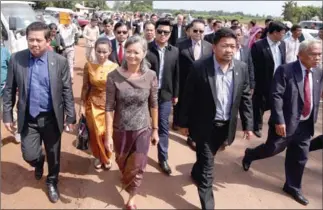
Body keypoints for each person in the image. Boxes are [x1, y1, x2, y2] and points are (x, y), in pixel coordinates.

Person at [178, 28, 253, 210]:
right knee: (208, 169)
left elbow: (244, 98)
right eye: (224, 46)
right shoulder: (200, 67)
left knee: (208, 156)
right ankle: (208, 205)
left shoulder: (241, 68)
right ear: (214, 47)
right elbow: (187, 96)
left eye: (233, 46)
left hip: (226, 126)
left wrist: (248, 124)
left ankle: (197, 171)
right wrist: (182, 123)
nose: (229, 50)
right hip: (204, 125)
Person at [2, 21, 76, 203]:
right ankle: (37, 160)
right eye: (30, 40)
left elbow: (67, 89)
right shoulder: (16, 59)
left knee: (54, 154)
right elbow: (9, 89)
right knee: (29, 154)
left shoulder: (59, 62)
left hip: (51, 117)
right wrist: (7, 115)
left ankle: (52, 181)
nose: (34, 44)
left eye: (38, 40)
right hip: (29, 118)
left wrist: (71, 115)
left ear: (48, 40)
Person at [242, 39, 323, 206]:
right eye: (313, 54)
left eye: (320, 54)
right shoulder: (285, 70)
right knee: (272, 149)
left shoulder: (318, 73)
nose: (318, 58)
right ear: (300, 55)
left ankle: (293, 186)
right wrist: (279, 120)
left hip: (305, 124)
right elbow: (276, 96)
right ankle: (251, 154)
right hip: (285, 123)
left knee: (300, 157)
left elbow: (316, 93)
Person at [105, 35, 159, 209]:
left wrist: (155, 129)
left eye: (136, 52)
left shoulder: (151, 76)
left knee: (137, 167)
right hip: (120, 129)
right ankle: (126, 178)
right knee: (123, 164)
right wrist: (108, 136)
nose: (131, 55)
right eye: (128, 51)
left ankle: (131, 198)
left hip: (142, 129)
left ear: (143, 54)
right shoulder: (113, 76)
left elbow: (154, 104)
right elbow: (108, 108)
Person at [146, 18, 179, 175]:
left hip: (165, 94)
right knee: (145, 126)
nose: (162, 35)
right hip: (147, 94)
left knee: (163, 126)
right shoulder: (146, 49)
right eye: (159, 31)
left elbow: (177, 74)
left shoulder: (174, 51)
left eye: (166, 32)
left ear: (170, 34)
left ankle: (163, 158)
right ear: (155, 31)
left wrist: (176, 94)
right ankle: (140, 156)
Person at [80, 38, 118, 169]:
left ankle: (107, 157)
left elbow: (117, 90)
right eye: (99, 51)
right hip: (92, 104)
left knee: (107, 133)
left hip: (109, 106)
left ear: (110, 51)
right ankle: (98, 157)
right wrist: (82, 107)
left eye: (104, 52)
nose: (101, 55)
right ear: (94, 51)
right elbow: (85, 87)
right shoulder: (89, 66)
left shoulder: (115, 67)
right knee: (94, 133)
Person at [176, 19, 213, 150]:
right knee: (184, 106)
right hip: (184, 83)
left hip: (202, 85)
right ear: (190, 31)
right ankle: (181, 124)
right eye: (195, 30)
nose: (198, 33)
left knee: (198, 110)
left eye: (201, 31)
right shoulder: (180, 45)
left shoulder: (209, 47)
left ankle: (192, 136)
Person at [251, 21, 287, 138]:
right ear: (275, 33)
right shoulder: (259, 45)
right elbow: (253, 66)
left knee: (276, 105)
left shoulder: (282, 44)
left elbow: (283, 62)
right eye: (282, 33)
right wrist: (253, 83)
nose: (284, 35)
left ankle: (274, 125)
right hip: (262, 82)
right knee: (259, 105)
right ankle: (257, 126)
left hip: (278, 82)